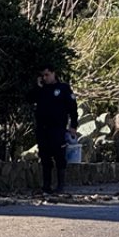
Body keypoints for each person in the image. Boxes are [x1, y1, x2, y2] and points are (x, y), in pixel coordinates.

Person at [29, 66, 79, 194]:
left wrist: (73, 126)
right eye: (43, 76)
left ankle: (60, 185)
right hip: (42, 128)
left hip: (57, 128)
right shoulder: (41, 89)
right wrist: (38, 87)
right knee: (45, 156)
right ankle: (46, 185)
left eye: (47, 75)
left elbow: (73, 108)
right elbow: (30, 98)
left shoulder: (63, 89)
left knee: (59, 156)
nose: (45, 78)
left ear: (53, 74)